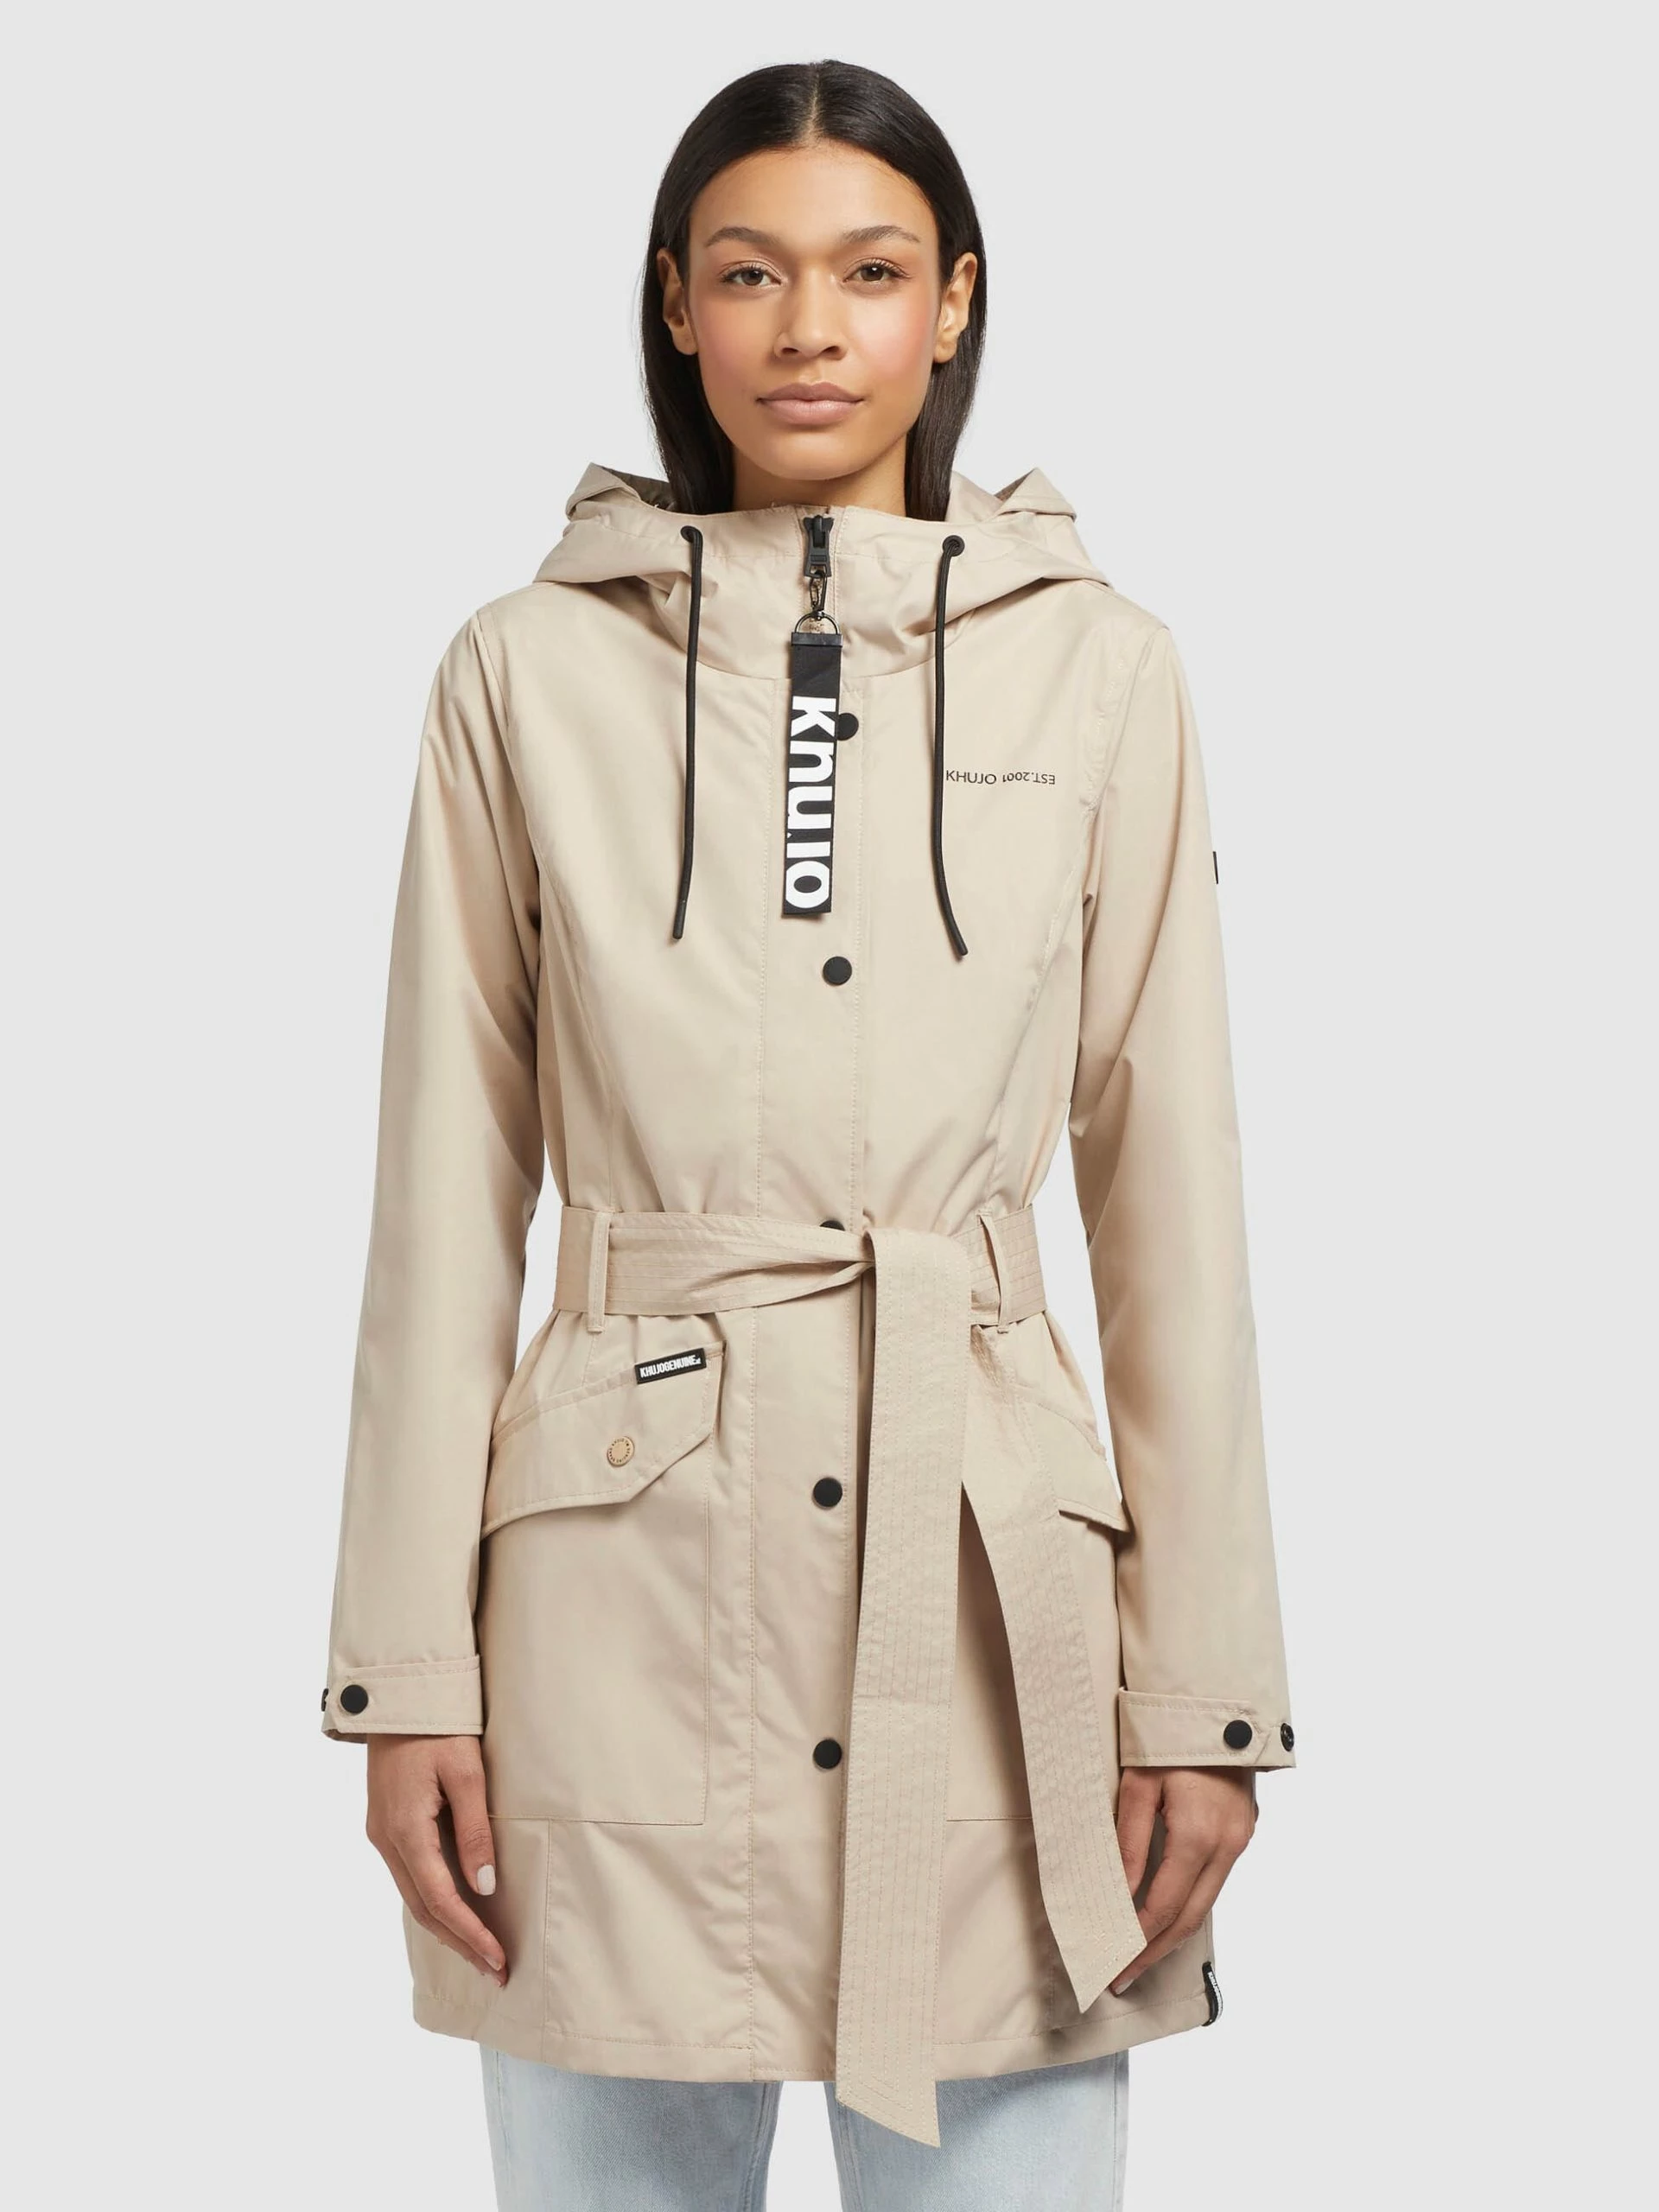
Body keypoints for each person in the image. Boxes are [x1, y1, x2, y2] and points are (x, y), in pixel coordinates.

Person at [321, 55, 1295, 2212]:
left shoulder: (1105, 672)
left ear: (956, 303)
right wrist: (404, 1673)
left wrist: (1206, 1695)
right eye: (752, 274)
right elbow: (442, 1192)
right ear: (676, 304)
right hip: (610, 1614)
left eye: (869, 272)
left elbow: (1174, 1201)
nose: (810, 329)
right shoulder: (522, 672)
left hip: (993, 1604)